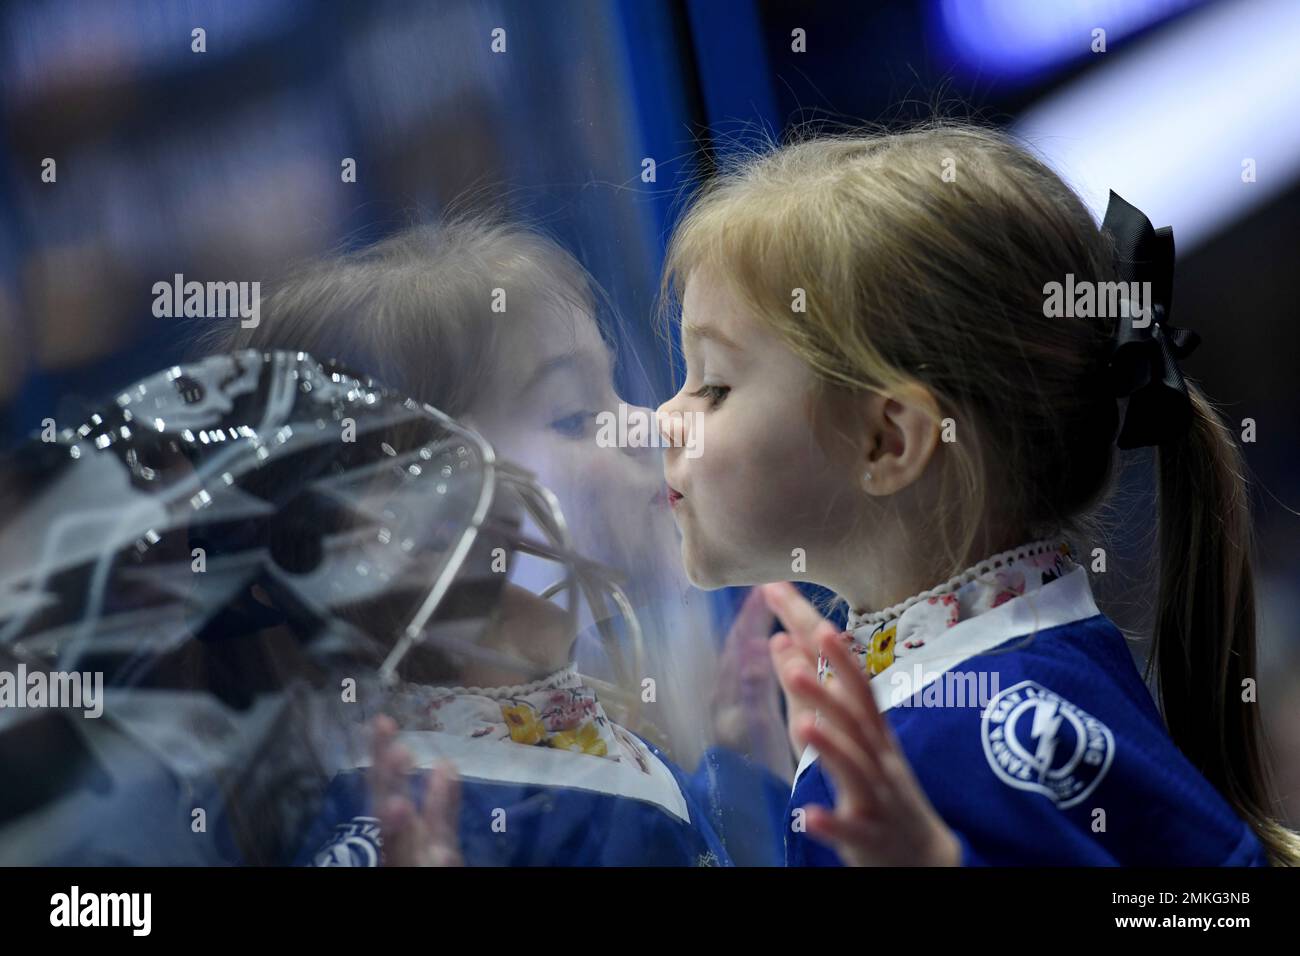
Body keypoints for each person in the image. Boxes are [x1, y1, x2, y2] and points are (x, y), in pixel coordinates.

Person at [652, 121, 1300, 866]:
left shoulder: (972, 730)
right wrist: (776, 782)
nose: (664, 422)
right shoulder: (994, 688)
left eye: (714, 385)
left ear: (890, 441)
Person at [200, 216, 790, 864]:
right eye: (575, 415)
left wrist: (748, 780)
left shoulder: (568, 748)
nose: (650, 424)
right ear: (406, 530)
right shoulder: (421, 827)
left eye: (614, 390)